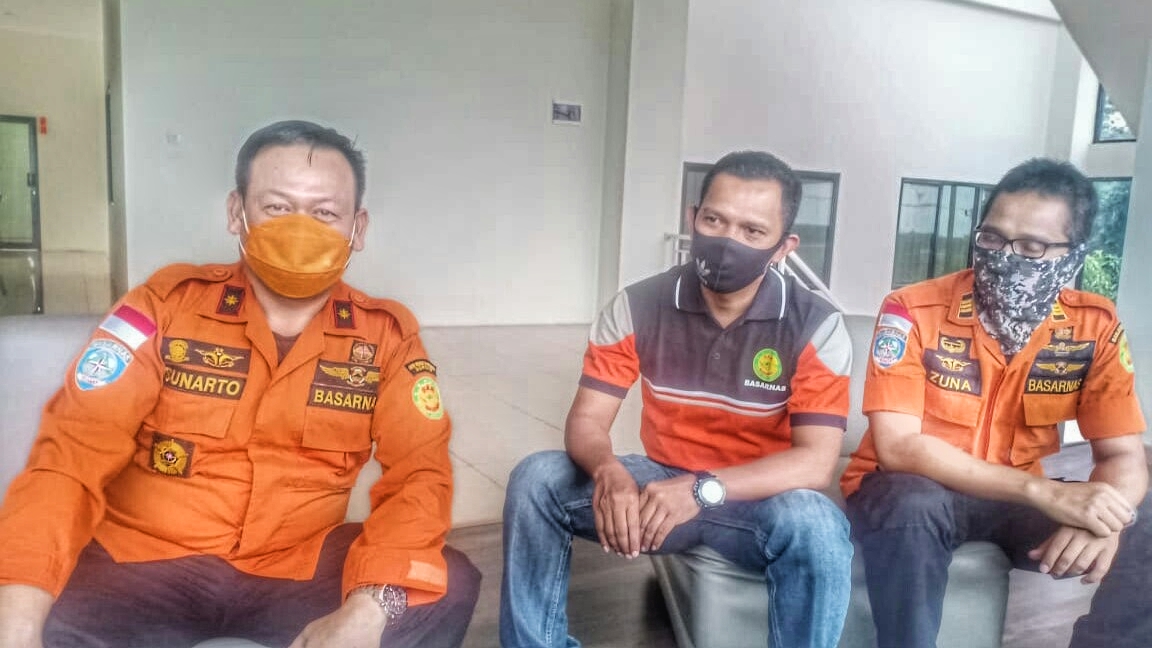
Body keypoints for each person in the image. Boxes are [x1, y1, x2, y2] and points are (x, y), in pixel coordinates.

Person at [0, 120, 480, 648]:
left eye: (325, 213)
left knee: (444, 584)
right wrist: (19, 614)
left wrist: (370, 608)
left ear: (357, 228)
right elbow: (70, 455)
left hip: (294, 566)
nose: (301, 229)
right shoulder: (164, 305)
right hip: (140, 561)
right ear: (237, 213)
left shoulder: (385, 336)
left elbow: (419, 475)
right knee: (28, 597)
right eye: (277, 207)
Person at [500, 151, 854, 648]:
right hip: (660, 485)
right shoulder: (636, 306)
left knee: (816, 523)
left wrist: (701, 490)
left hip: (756, 503)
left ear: (783, 247)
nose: (728, 241)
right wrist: (608, 472)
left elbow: (815, 464)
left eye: (753, 231)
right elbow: (587, 421)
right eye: (715, 220)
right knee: (536, 479)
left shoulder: (817, 325)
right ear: (692, 219)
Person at [842, 158, 1151, 648]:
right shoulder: (913, 309)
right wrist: (1044, 493)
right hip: (915, 492)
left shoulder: (1093, 327)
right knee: (912, 500)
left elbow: (1123, 456)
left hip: (1010, 501)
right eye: (991, 239)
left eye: (1031, 247)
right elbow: (899, 447)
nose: (1005, 257)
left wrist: (1109, 521)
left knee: (1143, 514)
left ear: (1073, 256)